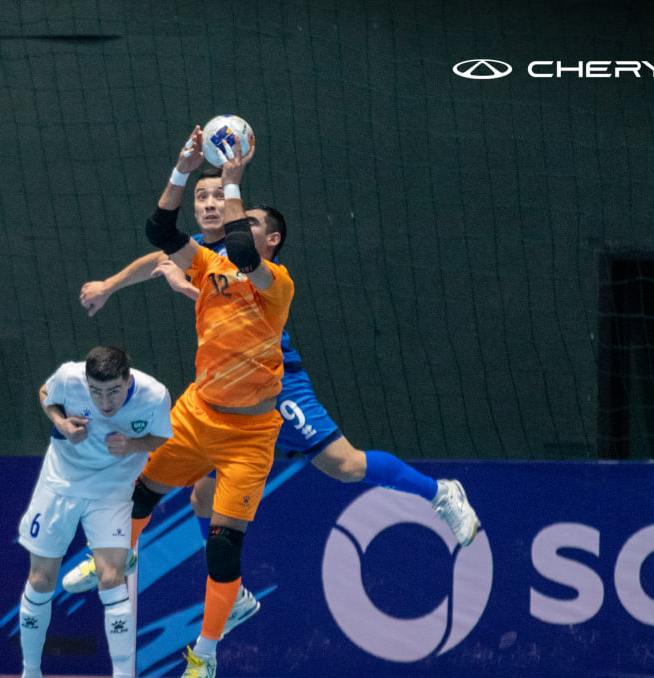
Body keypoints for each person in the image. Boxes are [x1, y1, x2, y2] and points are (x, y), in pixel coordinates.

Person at [71, 165, 480, 641]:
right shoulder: (202, 251)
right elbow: (157, 255)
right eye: (200, 197)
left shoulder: (247, 255)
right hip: (222, 395)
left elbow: (229, 292)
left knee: (344, 465)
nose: (206, 204)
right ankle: (233, 592)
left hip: (275, 385)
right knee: (202, 494)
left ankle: (439, 492)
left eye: (214, 197)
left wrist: (192, 279)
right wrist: (108, 285)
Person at [79, 127, 294, 678]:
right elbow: (159, 232)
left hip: (251, 434)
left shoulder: (275, 284)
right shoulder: (204, 265)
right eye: (232, 215)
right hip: (200, 414)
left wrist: (230, 180)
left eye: (247, 220)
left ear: (271, 239)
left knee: (224, 544)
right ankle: (113, 556)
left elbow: (242, 254)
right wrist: (182, 169)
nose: (233, 223)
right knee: (140, 494)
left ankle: (205, 654)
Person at [11, 345, 172, 678]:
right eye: (96, 392)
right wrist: (61, 423)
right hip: (59, 484)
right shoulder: (68, 376)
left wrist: (133, 445)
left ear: (127, 380)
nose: (105, 402)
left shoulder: (154, 394)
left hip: (112, 489)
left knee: (111, 576)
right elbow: (46, 395)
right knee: (40, 580)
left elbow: (161, 436)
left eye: (113, 391)